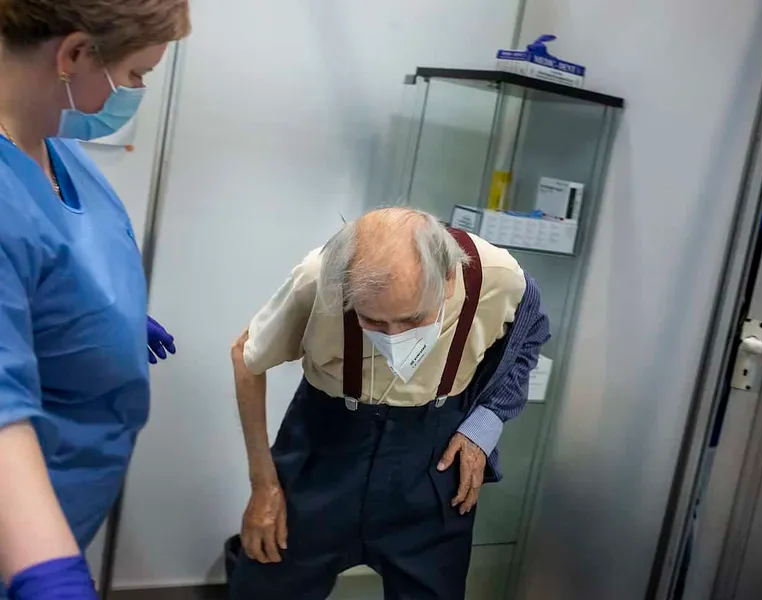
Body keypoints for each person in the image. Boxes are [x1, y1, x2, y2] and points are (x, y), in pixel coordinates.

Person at [230, 207, 551, 599]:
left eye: (412, 319)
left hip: (431, 457)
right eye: (374, 322)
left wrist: (486, 422)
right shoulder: (320, 277)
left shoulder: (497, 278)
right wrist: (262, 484)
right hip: (325, 446)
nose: (395, 337)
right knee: (266, 585)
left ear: (448, 279)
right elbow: (247, 357)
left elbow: (527, 343)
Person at [0, 1, 190, 598]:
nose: (136, 91)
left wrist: (107, 313)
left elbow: (54, 257)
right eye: (136, 75)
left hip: (70, 500)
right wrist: (49, 578)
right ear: (76, 53)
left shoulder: (56, 147)